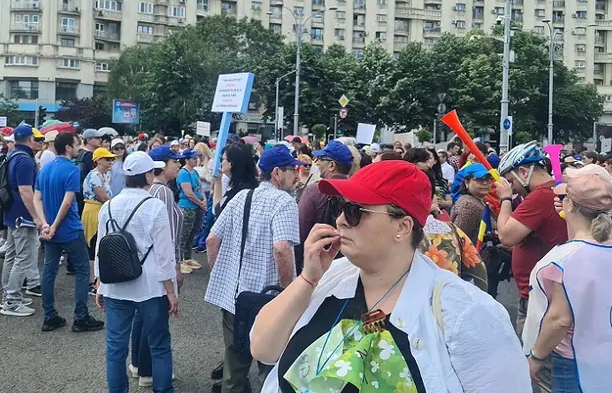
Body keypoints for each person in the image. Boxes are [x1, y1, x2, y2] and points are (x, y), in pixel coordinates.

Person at [250, 160, 531, 393]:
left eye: (356, 211)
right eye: (340, 207)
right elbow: (263, 349)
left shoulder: (467, 312)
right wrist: (307, 279)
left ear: (403, 227)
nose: (341, 220)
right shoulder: (330, 277)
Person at [523, 165, 612, 393]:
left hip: (577, 363)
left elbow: (559, 319)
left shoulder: (566, 259)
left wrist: (536, 357)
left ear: (569, 204)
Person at [205, 145, 303, 393]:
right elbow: (281, 249)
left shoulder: (242, 196)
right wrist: (289, 292)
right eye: (293, 169)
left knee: (234, 366)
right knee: (270, 366)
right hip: (267, 299)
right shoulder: (284, 201)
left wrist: (221, 275)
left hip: (235, 297)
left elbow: (211, 240)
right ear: (278, 173)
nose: (297, 174)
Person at [94, 151, 178, 393]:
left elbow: (101, 247)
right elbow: (165, 252)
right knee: (159, 344)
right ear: (149, 176)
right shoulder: (155, 206)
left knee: (115, 347)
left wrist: (100, 284)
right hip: (151, 286)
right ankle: (163, 390)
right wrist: (171, 291)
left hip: (115, 284)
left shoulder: (108, 206)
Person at [497, 141, 567, 393]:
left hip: (538, 296)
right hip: (546, 290)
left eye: (512, 181)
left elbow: (506, 236)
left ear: (524, 172)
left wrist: (505, 199)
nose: (513, 188)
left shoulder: (540, 196)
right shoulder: (554, 191)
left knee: (538, 369)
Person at [33, 132, 104, 333]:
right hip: (70, 229)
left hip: (50, 230)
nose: (78, 147)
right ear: (67, 147)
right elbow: (67, 201)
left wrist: (44, 224)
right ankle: (80, 317)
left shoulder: (45, 169)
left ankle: (49, 316)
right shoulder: (71, 170)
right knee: (82, 271)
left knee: (49, 271)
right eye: (76, 144)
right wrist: (54, 225)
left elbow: (36, 198)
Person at [128, 145, 185, 387]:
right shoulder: (162, 192)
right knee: (155, 318)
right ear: (160, 166)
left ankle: (141, 365)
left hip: (148, 264)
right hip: (158, 264)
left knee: (143, 316)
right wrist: (175, 268)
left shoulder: (159, 189)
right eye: (175, 161)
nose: (179, 165)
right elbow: (166, 234)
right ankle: (149, 370)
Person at [0, 125, 42, 316]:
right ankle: (12, 301)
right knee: (23, 257)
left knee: (13, 255)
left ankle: (8, 295)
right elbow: (25, 190)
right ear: (30, 138)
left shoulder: (14, 155)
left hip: (12, 212)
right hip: (23, 215)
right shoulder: (24, 160)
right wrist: (37, 217)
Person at [297, 140, 352, 268]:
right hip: (348, 265)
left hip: (319, 265)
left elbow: (301, 233)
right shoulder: (356, 191)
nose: (317, 163)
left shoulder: (315, 191)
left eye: (321, 159)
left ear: (332, 165)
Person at [82, 147, 115, 293]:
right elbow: (103, 197)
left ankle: (96, 280)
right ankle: (91, 282)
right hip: (93, 211)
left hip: (100, 210)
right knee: (93, 246)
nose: (110, 162)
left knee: (98, 246)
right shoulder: (94, 176)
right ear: (98, 160)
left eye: (111, 159)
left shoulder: (103, 176)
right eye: (107, 159)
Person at [451, 163, 495, 244]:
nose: (485, 183)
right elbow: (458, 240)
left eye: (488, 179)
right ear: (466, 182)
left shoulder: (480, 201)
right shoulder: (468, 206)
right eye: (479, 179)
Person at [177, 147, 205, 274]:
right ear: (187, 160)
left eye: (197, 158)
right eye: (194, 158)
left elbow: (200, 188)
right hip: (187, 207)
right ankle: (180, 261)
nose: (196, 160)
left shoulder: (195, 172)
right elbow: (188, 193)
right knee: (183, 235)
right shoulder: (183, 173)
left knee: (191, 234)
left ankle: (187, 258)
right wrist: (201, 203)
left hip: (196, 207)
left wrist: (203, 200)